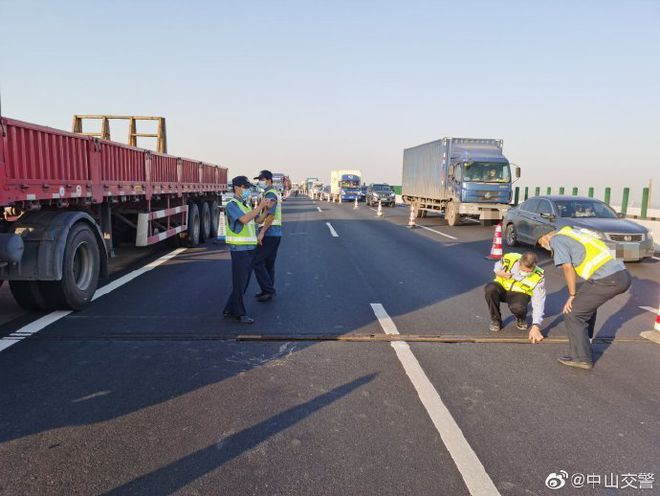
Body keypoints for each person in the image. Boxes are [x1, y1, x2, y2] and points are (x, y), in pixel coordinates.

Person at [537, 227, 631, 370]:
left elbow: (567, 268)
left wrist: (572, 295)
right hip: (619, 274)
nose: (543, 245)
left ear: (546, 236)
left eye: (541, 242)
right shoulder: (573, 232)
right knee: (585, 308)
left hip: (608, 278)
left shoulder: (556, 239)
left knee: (573, 312)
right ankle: (584, 348)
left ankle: (581, 358)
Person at [223, 176, 273, 324]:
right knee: (240, 282)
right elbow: (244, 220)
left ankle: (229, 309)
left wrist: (265, 210)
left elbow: (256, 220)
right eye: (245, 187)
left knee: (243, 282)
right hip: (239, 249)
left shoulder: (244, 204)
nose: (248, 190)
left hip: (250, 248)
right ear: (237, 188)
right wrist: (259, 206)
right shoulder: (232, 205)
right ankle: (240, 313)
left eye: (248, 188)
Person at [484, 251, 546, 343]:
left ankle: (521, 318)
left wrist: (536, 325)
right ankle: (496, 320)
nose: (526, 273)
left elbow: (539, 301)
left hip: (520, 294)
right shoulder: (510, 258)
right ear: (519, 263)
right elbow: (498, 263)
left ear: (535, 266)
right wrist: (498, 272)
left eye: (529, 272)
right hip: (503, 289)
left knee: (518, 308)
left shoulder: (539, 276)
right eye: (524, 270)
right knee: (490, 288)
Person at [252, 170, 282, 302]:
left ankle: (269, 290)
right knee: (268, 263)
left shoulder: (270, 194)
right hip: (275, 233)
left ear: (269, 180)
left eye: (261, 179)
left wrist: (262, 232)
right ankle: (267, 291)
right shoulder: (270, 193)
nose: (260, 182)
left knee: (257, 261)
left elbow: (271, 215)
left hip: (270, 233)